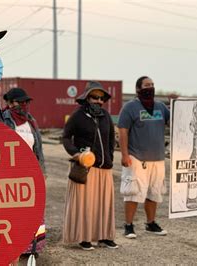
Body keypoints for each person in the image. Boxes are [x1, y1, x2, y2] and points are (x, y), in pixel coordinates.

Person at [62, 81, 117, 251]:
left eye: (102, 98)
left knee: (104, 204)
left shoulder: (106, 116)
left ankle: (104, 237)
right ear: (86, 98)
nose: (99, 101)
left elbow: (110, 140)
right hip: (86, 168)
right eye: (95, 97)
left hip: (104, 168)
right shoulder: (77, 116)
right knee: (86, 205)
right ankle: (83, 238)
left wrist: (109, 157)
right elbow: (65, 137)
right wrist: (76, 154)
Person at [117, 76, 170, 239]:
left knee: (155, 192)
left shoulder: (161, 107)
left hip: (158, 158)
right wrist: (124, 154)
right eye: (147, 85)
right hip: (137, 158)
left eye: (152, 85)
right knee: (133, 193)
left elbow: (175, 122)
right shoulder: (130, 107)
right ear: (138, 89)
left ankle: (150, 223)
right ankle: (128, 225)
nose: (151, 87)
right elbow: (123, 130)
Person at [2, 88, 46, 258]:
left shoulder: (31, 121)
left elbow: (38, 149)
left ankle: (32, 248)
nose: (24, 105)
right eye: (21, 102)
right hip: (10, 174)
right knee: (13, 213)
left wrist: (42, 172)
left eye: (26, 102)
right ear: (10, 103)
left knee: (32, 212)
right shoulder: (3, 119)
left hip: (31, 174)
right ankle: (14, 247)